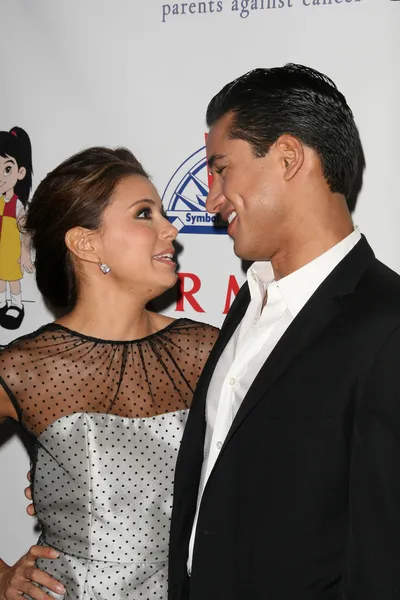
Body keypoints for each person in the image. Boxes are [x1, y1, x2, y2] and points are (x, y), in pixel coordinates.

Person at [168, 64, 400, 599]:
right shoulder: (249, 304)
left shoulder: (388, 324)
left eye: (222, 169)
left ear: (289, 157)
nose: (211, 199)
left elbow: (384, 560)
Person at [0, 147, 218, 600]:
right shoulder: (26, 368)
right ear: (85, 243)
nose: (170, 229)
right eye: (144, 214)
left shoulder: (206, 350)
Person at [0, 126, 34, 330]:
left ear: (20, 172)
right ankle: (3, 304)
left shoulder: (18, 204)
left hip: (11, 251)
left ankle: (16, 305)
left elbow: (26, 231)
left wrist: (25, 252)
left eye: (7, 169)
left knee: (12, 280)